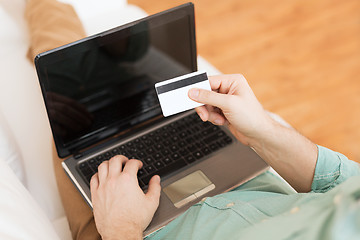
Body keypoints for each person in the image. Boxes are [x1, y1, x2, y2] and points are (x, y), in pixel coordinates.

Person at [25, 0, 360, 239]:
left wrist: (120, 229)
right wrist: (262, 131)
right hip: (243, 180)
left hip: (137, 229)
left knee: (73, 111)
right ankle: (119, 54)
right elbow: (339, 179)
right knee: (137, 90)